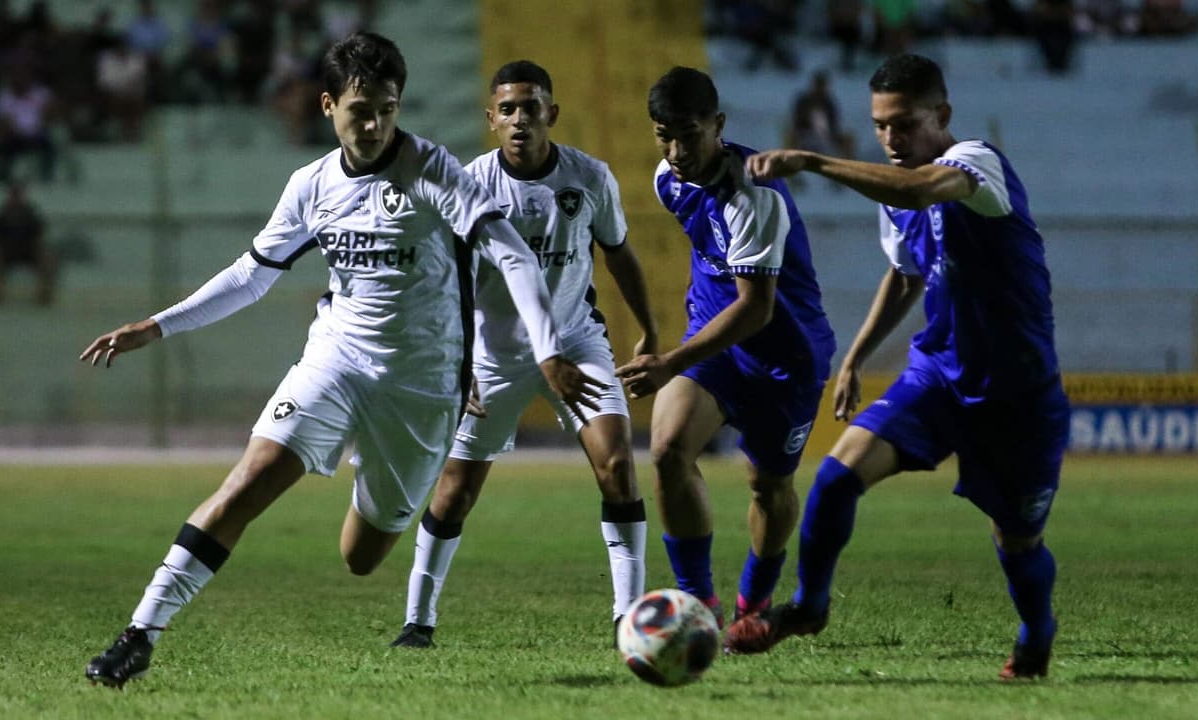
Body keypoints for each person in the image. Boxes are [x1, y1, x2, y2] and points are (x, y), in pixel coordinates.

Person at [80, 32, 604, 688]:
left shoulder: (433, 171)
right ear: (328, 106)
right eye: (362, 109)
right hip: (336, 363)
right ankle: (140, 634)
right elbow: (252, 274)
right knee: (248, 480)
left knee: (361, 556)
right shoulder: (313, 184)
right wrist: (157, 326)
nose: (377, 123)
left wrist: (549, 347)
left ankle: (367, 474)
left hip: (422, 388)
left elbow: (514, 255)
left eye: (388, 108)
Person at [723, 53, 1070, 682]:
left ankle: (1036, 632)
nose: (891, 138)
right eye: (881, 125)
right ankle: (811, 605)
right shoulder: (896, 191)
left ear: (943, 115)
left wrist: (813, 160)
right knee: (834, 476)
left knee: (1016, 541)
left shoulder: (976, 162)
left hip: (1017, 394)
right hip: (937, 375)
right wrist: (857, 356)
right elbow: (907, 273)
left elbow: (923, 187)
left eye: (905, 124)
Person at [390, 61, 658, 649]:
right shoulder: (470, 184)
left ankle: (631, 616)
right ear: (491, 120)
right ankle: (417, 620)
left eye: (530, 107)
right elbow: (446, 280)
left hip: (576, 342)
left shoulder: (590, 178)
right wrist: (457, 361)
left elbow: (618, 254)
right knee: (456, 489)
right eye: (507, 110)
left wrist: (649, 330)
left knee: (617, 465)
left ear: (551, 114)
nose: (519, 120)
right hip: (492, 353)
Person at [616, 67, 836, 627]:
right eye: (663, 134)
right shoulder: (666, 178)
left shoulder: (752, 194)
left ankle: (753, 600)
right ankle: (699, 607)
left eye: (688, 133)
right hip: (715, 343)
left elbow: (757, 307)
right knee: (666, 450)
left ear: (718, 124)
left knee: (769, 485)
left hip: (786, 356)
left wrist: (668, 363)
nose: (675, 149)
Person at [0, 178, 56, 305]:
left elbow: (38, 235)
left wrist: (37, 248)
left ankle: (44, 293)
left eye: (18, 194)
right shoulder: (1, 214)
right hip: (6, 251)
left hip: (27, 251)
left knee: (46, 257)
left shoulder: (30, 213)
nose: (16, 197)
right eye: (13, 194)